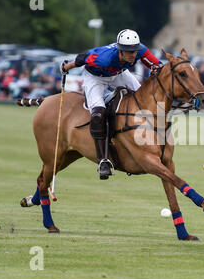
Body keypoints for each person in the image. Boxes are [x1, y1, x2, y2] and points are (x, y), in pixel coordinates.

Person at [61, 29, 162, 180]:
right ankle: (103, 160)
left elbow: (156, 64)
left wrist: (158, 68)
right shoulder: (104, 58)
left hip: (118, 74)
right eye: (128, 52)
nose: (133, 55)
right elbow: (83, 58)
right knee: (98, 113)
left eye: (134, 51)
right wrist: (67, 67)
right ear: (120, 51)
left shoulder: (139, 50)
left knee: (143, 100)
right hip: (95, 77)